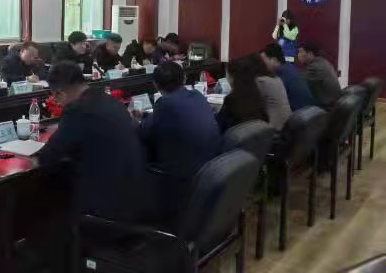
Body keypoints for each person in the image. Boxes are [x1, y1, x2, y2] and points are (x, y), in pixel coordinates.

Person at [38, 61, 143, 221]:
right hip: (136, 193)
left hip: (107, 209)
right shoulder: (108, 99)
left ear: (59, 94)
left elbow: (48, 157)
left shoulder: (77, 110)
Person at [136, 61, 221, 220]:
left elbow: (144, 133)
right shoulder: (197, 95)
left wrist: (138, 121)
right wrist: (148, 116)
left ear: (155, 84)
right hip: (210, 170)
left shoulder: (164, 103)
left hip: (183, 179)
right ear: (184, 79)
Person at [216, 55, 269, 132]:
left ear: (232, 76)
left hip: (233, 138)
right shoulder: (257, 95)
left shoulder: (231, 100)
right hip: (258, 137)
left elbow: (219, 126)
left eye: (226, 74)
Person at [261, 43, 315, 111]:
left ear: (273, 60)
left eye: (263, 60)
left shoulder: (279, 75)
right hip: (311, 110)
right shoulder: (289, 67)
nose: (261, 63)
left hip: (300, 113)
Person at [250, 52, 293, 131]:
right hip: (289, 124)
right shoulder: (277, 78)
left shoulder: (261, 81)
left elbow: (252, 105)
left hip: (276, 128)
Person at [298, 42, 342, 109]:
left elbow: (298, 82)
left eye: (301, 52)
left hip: (328, 107)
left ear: (310, 53)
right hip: (333, 103)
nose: (298, 55)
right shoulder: (321, 61)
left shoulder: (315, 67)